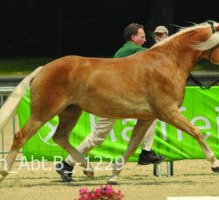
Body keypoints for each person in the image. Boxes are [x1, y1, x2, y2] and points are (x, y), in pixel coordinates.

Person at [56, 23, 167, 182]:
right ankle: (67, 163)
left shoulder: (129, 49)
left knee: (148, 116)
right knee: (98, 136)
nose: (144, 40)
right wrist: (164, 42)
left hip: (121, 99)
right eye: (142, 37)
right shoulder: (131, 49)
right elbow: (157, 55)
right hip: (114, 101)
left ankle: (146, 152)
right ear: (133, 37)